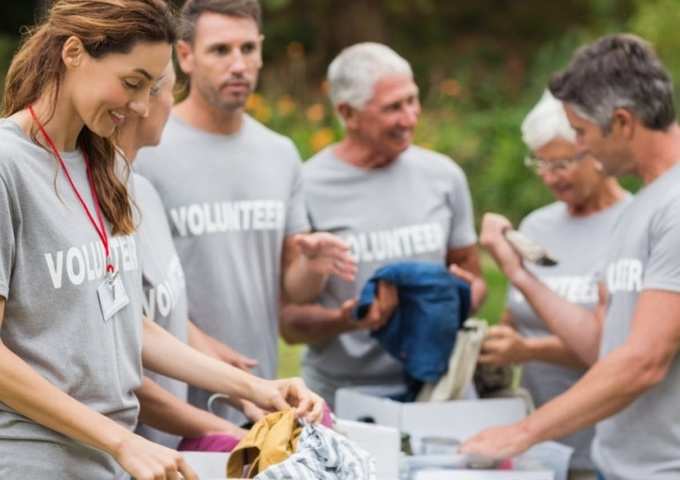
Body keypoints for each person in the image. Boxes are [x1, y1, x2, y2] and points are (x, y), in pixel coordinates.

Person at [0, 2, 323, 479]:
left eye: (151, 90)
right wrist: (121, 441)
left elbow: (129, 319)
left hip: (109, 462)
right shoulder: (9, 164)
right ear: (73, 53)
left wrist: (259, 389)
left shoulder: (103, 166)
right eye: (131, 84)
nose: (141, 108)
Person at [462, 34, 680, 480]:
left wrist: (523, 432)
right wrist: (518, 275)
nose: (581, 148)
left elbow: (643, 361)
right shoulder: (639, 208)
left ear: (621, 122)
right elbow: (602, 347)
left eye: (581, 133)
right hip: (616, 466)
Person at [135, 0, 355, 424]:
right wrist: (197, 347)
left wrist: (312, 264)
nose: (238, 65)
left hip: (261, 399)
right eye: (220, 51)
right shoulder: (148, 148)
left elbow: (296, 293)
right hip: (167, 404)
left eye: (248, 49)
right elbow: (132, 295)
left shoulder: (280, 153)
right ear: (185, 56)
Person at [280, 42, 487, 406]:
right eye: (393, 107)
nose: (410, 117)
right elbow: (290, 322)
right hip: (340, 396)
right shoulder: (306, 184)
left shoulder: (443, 176)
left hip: (435, 389)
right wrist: (347, 320)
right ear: (348, 113)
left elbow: (475, 281)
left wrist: (456, 296)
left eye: (412, 100)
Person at [478, 90, 630, 480]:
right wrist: (496, 339)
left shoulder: (632, 224)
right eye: (541, 163)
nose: (549, 176)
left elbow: (618, 349)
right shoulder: (536, 226)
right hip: (536, 446)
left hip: (601, 446)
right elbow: (518, 313)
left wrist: (528, 350)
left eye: (561, 163)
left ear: (592, 148)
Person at [117, 62, 250, 448]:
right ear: (141, 100)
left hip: (173, 451)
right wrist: (222, 428)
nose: (172, 108)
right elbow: (121, 369)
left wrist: (245, 389)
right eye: (171, 93)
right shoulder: (97, 208)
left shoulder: (144, 192)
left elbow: (161, 312)